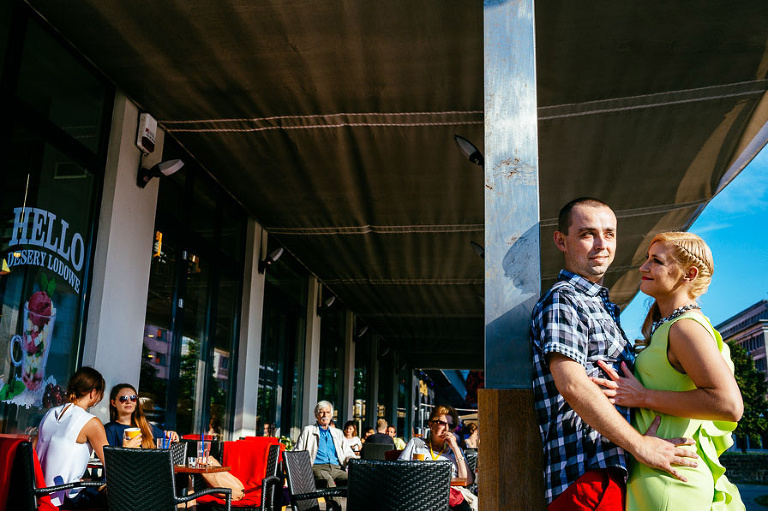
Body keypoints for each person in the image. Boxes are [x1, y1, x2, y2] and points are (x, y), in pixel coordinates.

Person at [530, 197, 699, 509]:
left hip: (610, 473)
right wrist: (640, 445)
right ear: (561, 241)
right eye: (587, 234)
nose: (600, 245)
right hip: (585, 475)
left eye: (609, 234)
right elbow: (572, 384)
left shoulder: (604, 307)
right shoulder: (564, 300)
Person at [591, 231, 744, 510]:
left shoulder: (685, 327)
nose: (643, 267)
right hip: (659, 473)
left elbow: (729, 405)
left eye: (656, 261)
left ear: (689, 273)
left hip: (668, 483)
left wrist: (643, 396)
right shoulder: (671, 327)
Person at [36, 367, 108, 509]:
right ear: (93, 393)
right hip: (63, 500)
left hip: (38, 494)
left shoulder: (50, 413)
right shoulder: (90, 422)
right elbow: (112, 464)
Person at [399, 405, 474, 511]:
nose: (447, 429)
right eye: (442, 423)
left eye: (451, 425)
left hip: (449, 499)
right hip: (419, 496)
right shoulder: (416, 443)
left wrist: (456, 448)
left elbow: (468, 480)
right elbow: (399, 470)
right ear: (431, 424)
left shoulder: (456, 451)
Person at [294, 400, 355, 496]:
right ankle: (335, 508)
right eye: (321, 412)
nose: (324, 415)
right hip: (317, 468)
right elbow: (297, 451)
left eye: (327, 412)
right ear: (316, 415)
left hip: (337, 469)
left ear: (331, 415)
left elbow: (348, 452)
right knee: (328, 481)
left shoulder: (337, 433)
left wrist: (350, 458)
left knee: (355, 481)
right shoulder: (308, 431)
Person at [103, 383, 178, 448]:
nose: (129, 401)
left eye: (133, 398)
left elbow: (164, 439)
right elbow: (109, 461)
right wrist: (125, 448)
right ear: (113, 403)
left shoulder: (146, 426)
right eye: (123, 398)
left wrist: (170, 435)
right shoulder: (110, 429)